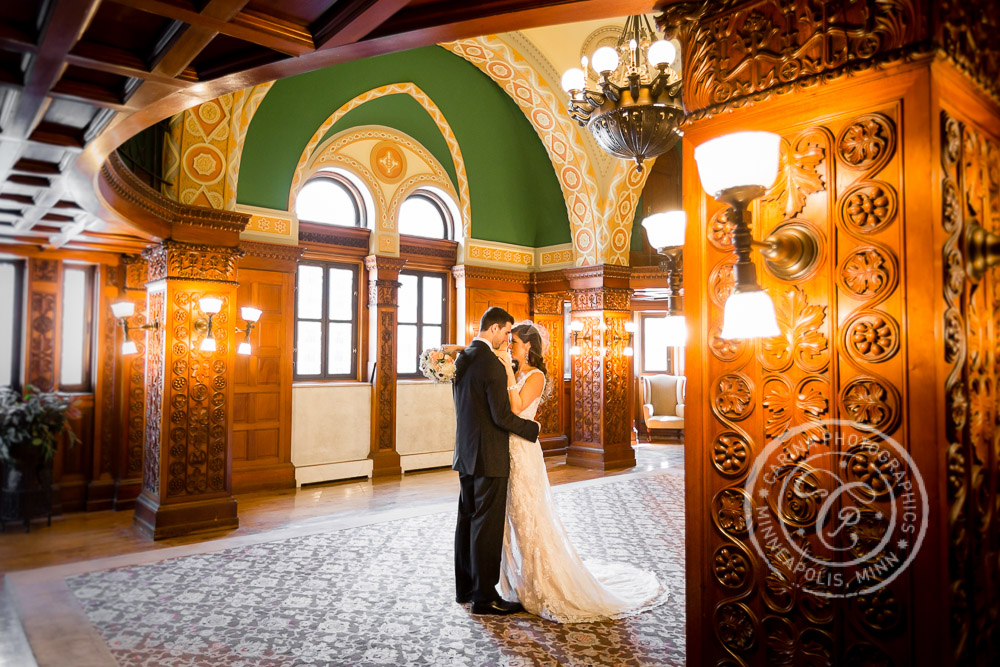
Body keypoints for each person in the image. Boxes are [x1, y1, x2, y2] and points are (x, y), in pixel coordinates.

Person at [495, 321, 669, 623]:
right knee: (512, 517)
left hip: (523, 453)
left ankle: (543, 585)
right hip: (507, 450)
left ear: (529, 347)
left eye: (514, 341)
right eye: (509, 341)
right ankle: (516, 583)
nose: (509, 345)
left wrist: (507, 373)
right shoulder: (518, 372)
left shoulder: (534, 376)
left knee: (529, 517)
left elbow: (518, 405)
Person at [452, 307, 541, 616]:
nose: (507, 339)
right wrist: (532, 429)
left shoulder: (464, 359)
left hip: (465, 454)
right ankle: (483, 597)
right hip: (489, 456)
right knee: (486, 528)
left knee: (467, 522)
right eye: (506, 332)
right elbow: (501, 416)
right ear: (494, 329)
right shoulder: (490, 363)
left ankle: (464, 588)